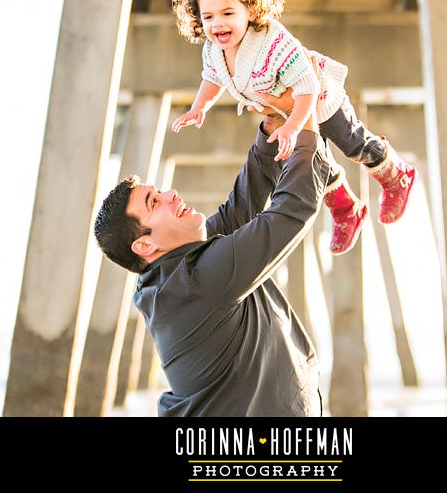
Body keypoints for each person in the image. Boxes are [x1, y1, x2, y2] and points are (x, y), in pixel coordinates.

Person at [94, 101, 330, 417]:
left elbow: (240, 208)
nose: (171, 194)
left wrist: (272, 128)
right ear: (145, 245)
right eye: (155, 202)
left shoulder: (179, 269)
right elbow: (291, 211)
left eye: (160, 191)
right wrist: (306, 114)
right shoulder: (196, 283)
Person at [168, 0, 417, 255]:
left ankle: (395, 174)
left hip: (318, 99)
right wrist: (200, 107)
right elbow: (212, 79)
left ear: (250, 10)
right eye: (208, 17)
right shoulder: (213, 51)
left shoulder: (272, 41)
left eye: (227, 12)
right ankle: (347, 210)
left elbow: (308, 85)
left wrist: (293, 125)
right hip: (287, 113)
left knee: (353, 143)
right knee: (314, 163)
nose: (217, 23)